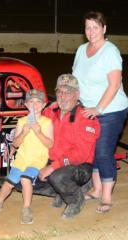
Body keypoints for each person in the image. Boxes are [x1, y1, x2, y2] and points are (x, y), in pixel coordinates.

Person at [72, 11, 128, 213]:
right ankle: (96, 189)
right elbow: (75, 80)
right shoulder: (81, 50)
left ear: (104, 29)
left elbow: (114, 85)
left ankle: (106, 197)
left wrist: (99, 108)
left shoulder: (110, 51)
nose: (91, 31)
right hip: (87, 110)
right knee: (92, 151)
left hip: (110, 110)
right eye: (88, 27)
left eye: (96, 27)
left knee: (103, 152)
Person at [33, 74, 101, 219]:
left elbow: (80, 154)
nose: (63, 96)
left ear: (77, 94)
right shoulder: (50, 111)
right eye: (59, 92)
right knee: (22, 178)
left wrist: (53, 167)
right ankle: (62, 191)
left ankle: (76, 198)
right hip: (54, 161)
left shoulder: (86, 118)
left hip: (78, 166)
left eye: (68, 92)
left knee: (58, 176)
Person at [0, 89, 53, 224]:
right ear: (26, 105)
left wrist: (39, 132)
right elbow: (15, 144)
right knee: (9, 181)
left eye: (38, 102)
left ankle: (26, 208)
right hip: (22, 159)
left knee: (25, 178)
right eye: (31, 101)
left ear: (44, 104)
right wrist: (23, 133)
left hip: (37, 160)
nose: (35, 105)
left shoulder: (47, 122)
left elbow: (50, 144)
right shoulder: (22, 121)